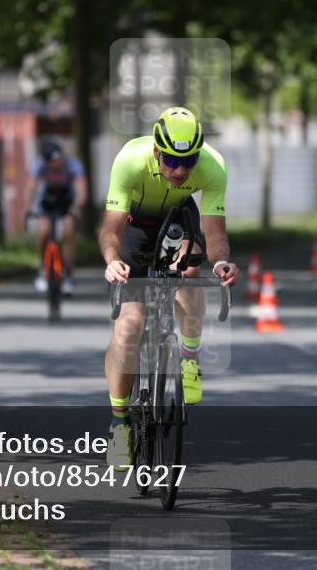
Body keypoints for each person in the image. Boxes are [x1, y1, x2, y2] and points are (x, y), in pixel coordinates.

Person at [100, 107, 239, 468]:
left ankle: (189, 358)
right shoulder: (130, 160)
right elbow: (110, 230)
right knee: (129, 325)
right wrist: (113, 260)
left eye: (189, 161)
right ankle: (119, 423)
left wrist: (221, 262)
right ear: (158, 152)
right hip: (135, 227)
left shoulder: (212, 166)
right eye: (173, 161)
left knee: (191, 269)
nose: (180, 171)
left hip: (179, 219)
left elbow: (215, 235)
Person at [26, 138, 86, 295]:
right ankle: (41, 269)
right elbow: (31, 187)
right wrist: (28, 208)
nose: (58, 162)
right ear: (46, 161)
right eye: (53, 161)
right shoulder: (38, 166)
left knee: (68, 231)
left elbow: (81, 190)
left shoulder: (74, 165)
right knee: (44, 231)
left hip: (67, 203)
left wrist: (76, 207)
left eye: (60, 158)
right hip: (46, 203)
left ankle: (68, 276)